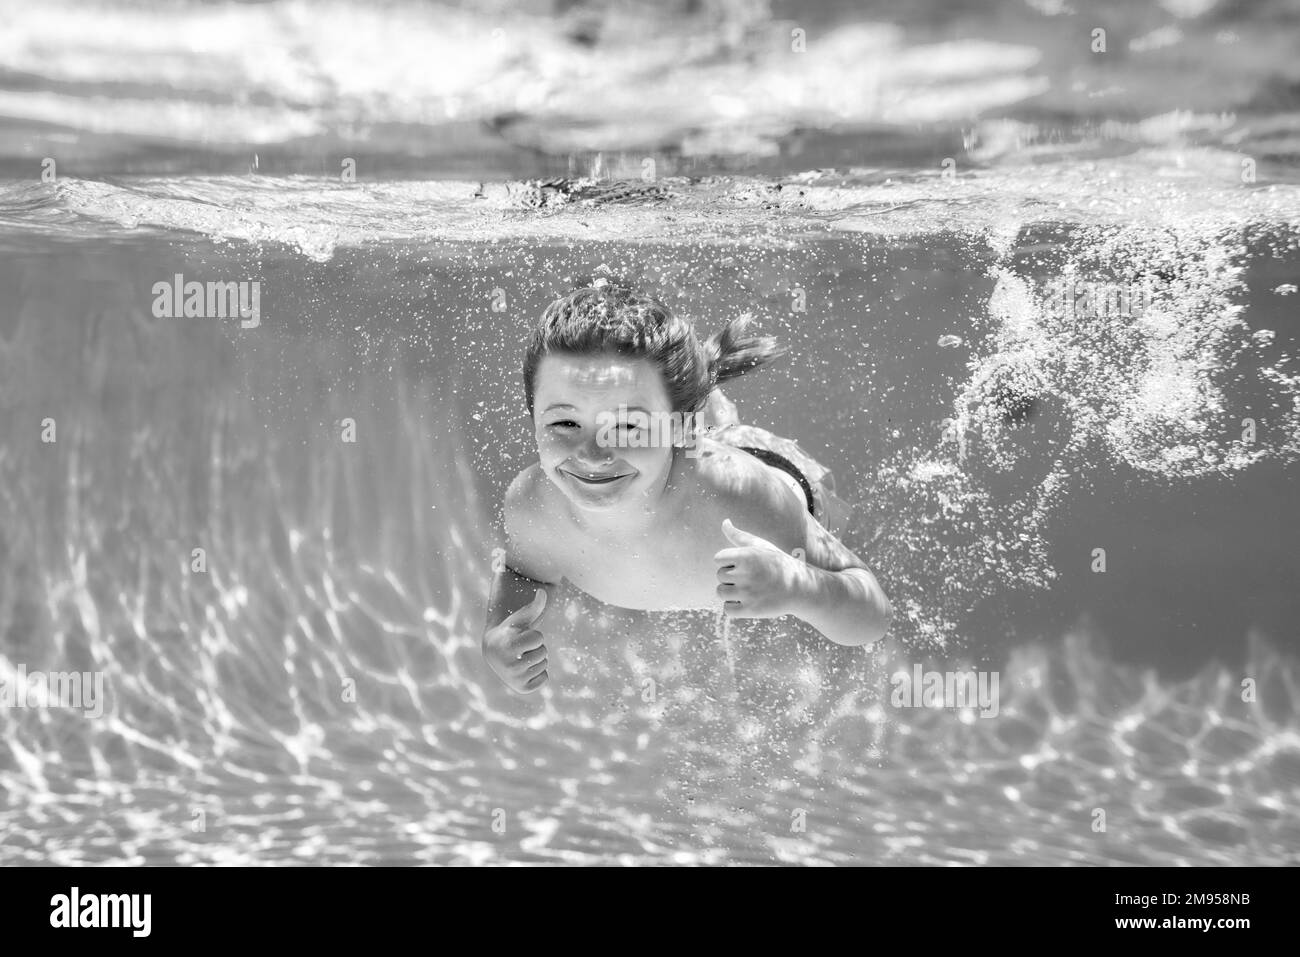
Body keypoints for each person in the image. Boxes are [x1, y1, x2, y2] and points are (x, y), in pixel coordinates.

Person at [482, 278, 892, 693]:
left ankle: (707, 410)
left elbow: (872, 617)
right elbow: (523, 573)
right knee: (700, 427)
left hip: (778, 472)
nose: (592, 454)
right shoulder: (532, 505)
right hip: (682, 445)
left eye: (626, 425)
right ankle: (694, 402)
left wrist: (800, 588)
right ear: (533, 419)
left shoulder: (741, 505)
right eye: (565, 423)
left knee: (722, 437)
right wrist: (498, 634)